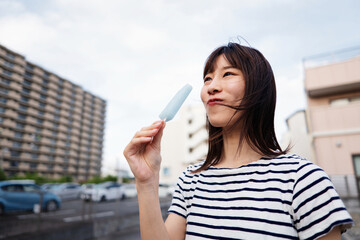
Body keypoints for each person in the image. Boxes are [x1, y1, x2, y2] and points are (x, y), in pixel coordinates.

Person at [123, 42, 353, 239]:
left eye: (228, 74)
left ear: (259, 88)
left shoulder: (301, 179)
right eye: (208, 78)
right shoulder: (191, 181)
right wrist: (146, 183)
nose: (211, 87)